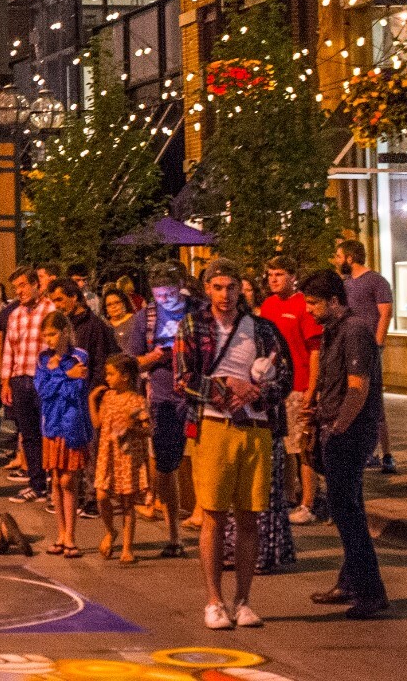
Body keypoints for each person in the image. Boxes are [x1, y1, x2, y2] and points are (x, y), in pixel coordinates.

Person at [176, 257, 292, 631]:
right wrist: (224, 388)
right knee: (212, 514)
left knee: (250, 516)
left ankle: (243, 601)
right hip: (213, 426)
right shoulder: (193, 325)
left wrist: (255, 391)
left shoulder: (262, 329)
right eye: (217, 287)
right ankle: (214, 600)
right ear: (207, 289)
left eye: (231, 287)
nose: (225, 295)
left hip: (256, 429)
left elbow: (286, 378)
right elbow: (183, 378)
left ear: (241, 289)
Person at [291, 270, 389, 625]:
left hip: (349, 433)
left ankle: (370, 591)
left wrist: (338, 426)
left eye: (314, 303)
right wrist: (317, 407)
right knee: (347, 508)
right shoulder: (333, 331)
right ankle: (350, 582)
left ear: (335, 301)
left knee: (348, 513)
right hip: (336, 428)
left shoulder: (356, 331)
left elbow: (358, 388)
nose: (309, 310)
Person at [124, 264, 193, 557]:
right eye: (159, 295)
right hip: (163, 398)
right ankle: (174, 535)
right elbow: (131, 363)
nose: (165, 300)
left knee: (203, 463)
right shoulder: (145, 318)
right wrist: (155, 356)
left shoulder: (198, 312)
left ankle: (214, 525)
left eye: (171, 294)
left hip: (198, 396)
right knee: (166, 467)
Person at [257, 258, 323, 525]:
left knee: (302, 447)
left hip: (299, 385)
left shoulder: (302, 305)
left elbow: (315, 349)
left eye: (280, 274)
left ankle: (308, 502)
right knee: (281, 445)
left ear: (293, 276)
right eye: (270, 274)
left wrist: (312, 388)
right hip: (274, 387)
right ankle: (287, 495)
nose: (273, 279)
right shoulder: (268, 305)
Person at [333, 239, 397, 472]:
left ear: (350, 258)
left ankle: (387, 454)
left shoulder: (376, 281)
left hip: (368, 348)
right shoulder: (345, 284)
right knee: (353, 396)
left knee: (373, 400)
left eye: (339, 256)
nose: (337, 261)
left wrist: (378, 344)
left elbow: (385, 313)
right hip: (349, 348)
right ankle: (365, 451)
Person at [0, 270, 53, 503]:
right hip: (20, 379)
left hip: (43, 379)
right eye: (16, 287)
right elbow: (9, 350)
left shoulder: (50, 310)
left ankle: (52, 484)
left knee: (48, 433)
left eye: (24, 285)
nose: (19, 291)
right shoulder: (15, 314)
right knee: (28, 434)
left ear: (37, 284)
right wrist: (5, 381)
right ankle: (36, 484)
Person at [34, 312, 90, 557]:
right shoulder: (43, 358)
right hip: (51, 423)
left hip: (72, 423)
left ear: (65, 332)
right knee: (56, 479)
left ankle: (72, 535)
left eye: (53, 333)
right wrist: (64, 376)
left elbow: (76, 390)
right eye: (45, 334)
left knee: (69, 480)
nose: (49, 339)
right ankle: (61, 533)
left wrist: (60, 376)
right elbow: (42, 390)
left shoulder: (79, 356)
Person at [92, 354, 153, 564]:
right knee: (101, 495)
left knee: (128, 503)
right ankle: (110, 531)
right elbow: (98, 423)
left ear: (125, 376)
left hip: (127, 456)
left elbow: (148, 429)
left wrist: (131, 427)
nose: (107, 378)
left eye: (111, 374)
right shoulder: (108, 397)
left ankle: (127, 547)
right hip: (107, 454)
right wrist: (92, 400)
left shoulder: (137, 400)